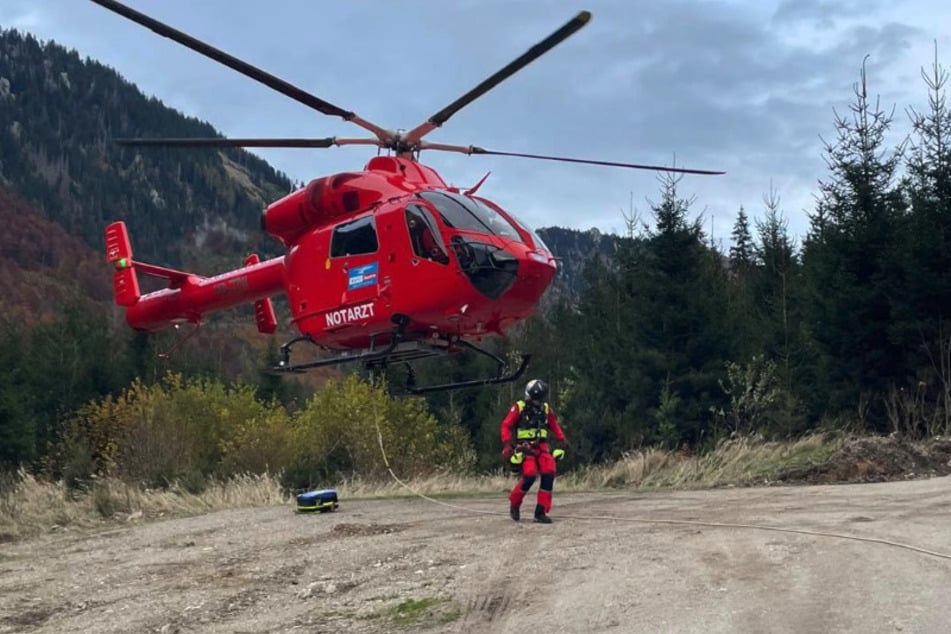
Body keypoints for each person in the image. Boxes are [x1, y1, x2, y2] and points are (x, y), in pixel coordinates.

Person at [500, 378, 567, 524]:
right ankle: (515, 503)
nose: (537, 402)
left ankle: (540, 512)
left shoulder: (546, 409)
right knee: (529, 475)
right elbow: (506, 425)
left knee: (548, 474)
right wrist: (507, 444)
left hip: (542, 447)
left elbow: (554, 424)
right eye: (535, 398)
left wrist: (562, 438)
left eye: (539, 399)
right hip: (525, 448)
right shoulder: (519, 407)